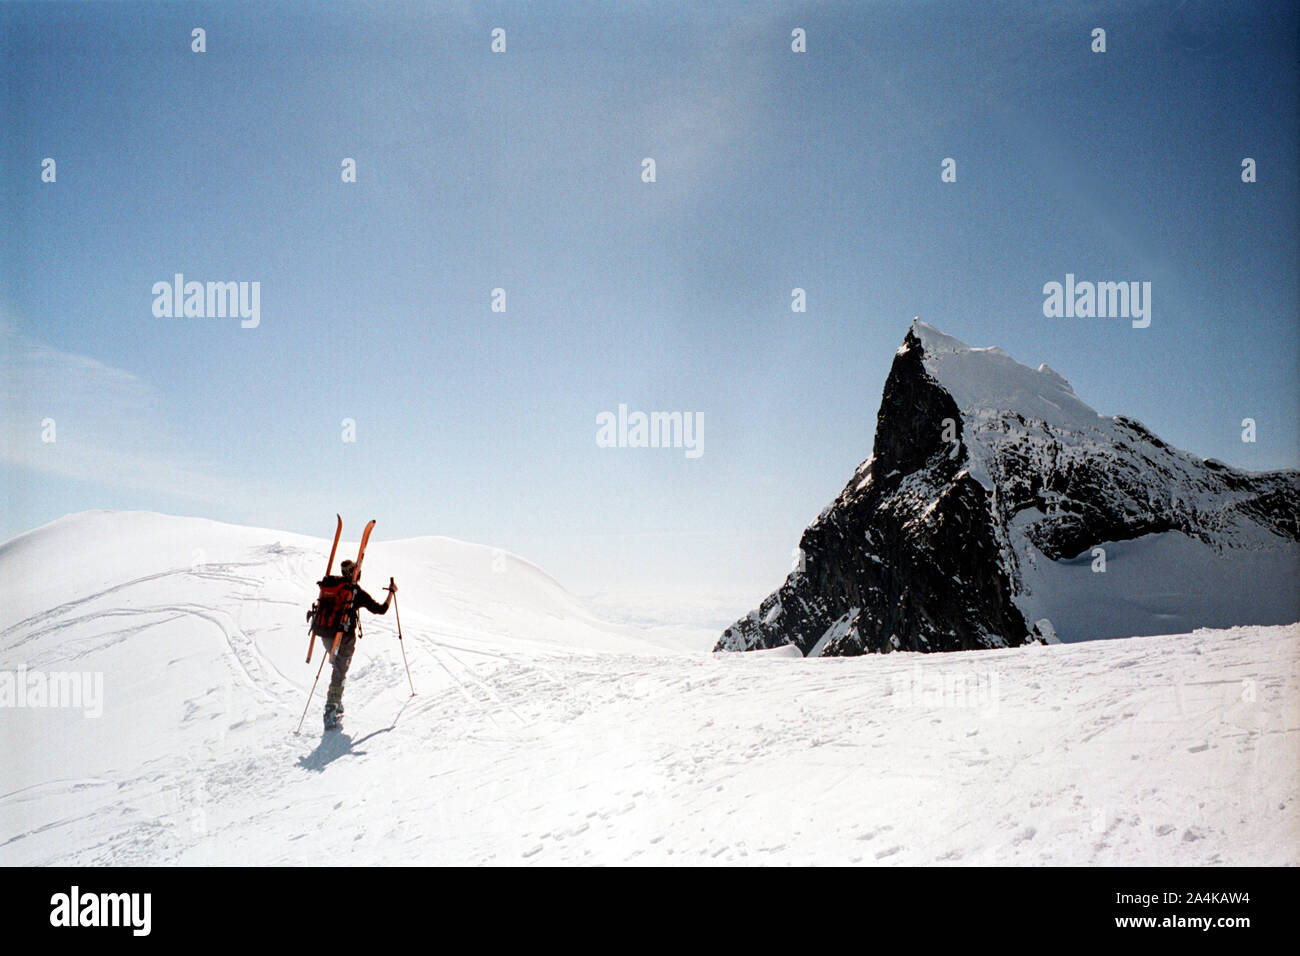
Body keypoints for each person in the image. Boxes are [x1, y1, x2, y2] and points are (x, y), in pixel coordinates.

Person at [323, 560, 395, 731]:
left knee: (338, 668)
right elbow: (380, 609)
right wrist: (391, 593)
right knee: (340, 670)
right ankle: (331, 709)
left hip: (326, 635)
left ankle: (336, 702)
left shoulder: (333, 585)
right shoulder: (355, 592)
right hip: (345, 637)